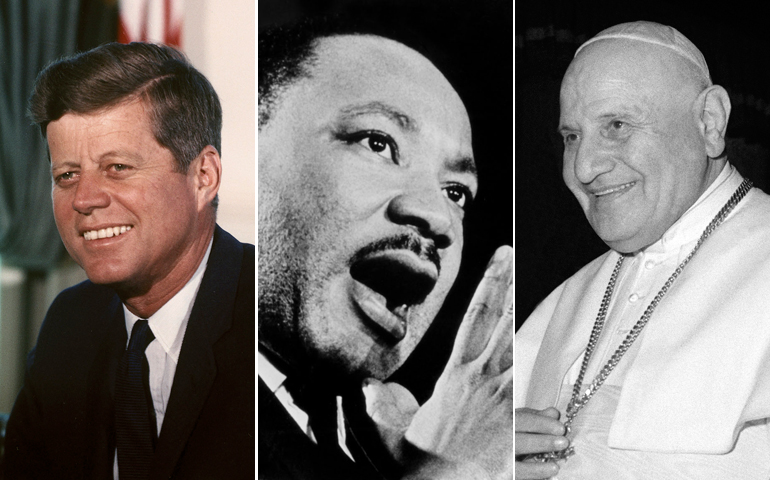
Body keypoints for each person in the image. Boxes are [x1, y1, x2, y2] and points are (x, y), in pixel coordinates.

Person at [258, 18, 513, 480]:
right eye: (378, 143)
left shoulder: (372, 449)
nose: (438, 217)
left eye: (456, 192)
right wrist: (454, 472)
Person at [515, 21, 770, 479]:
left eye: (616, 125)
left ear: (710, 122)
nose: (584, 168)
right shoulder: (567, 297)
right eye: (571, 136)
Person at [2, 42, 254, 479]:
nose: (84, 199)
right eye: (66, 175)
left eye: (117, 167)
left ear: (203, 177)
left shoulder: (270, 322)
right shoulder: (69, 323)